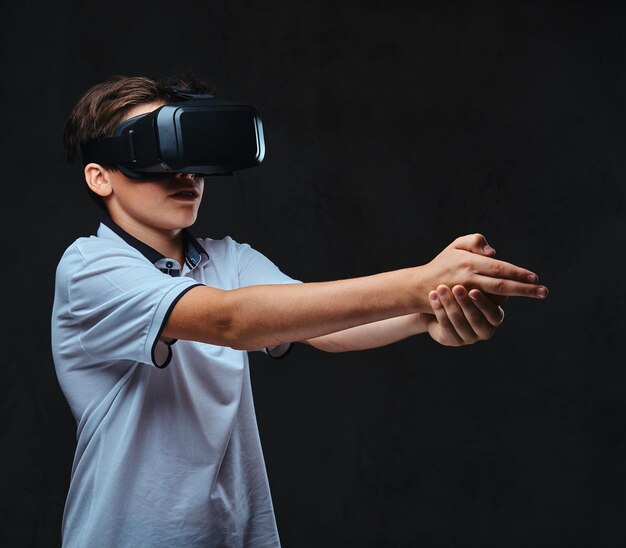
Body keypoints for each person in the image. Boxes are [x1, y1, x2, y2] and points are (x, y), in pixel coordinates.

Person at [52, 75, 548, 547]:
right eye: (158, 154)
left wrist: (436, 310)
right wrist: (420, 283)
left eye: (190, 153)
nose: (186, 174)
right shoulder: (90, 269)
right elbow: (231, 321)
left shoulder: (226, 259)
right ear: (100, 177)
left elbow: (325, 328)